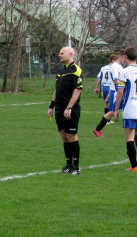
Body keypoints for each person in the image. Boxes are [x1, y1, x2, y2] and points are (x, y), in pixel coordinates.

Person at [113, 47, 137, 172]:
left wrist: (116, 109)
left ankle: (134, 166)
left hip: (131, 107)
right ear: (136, 56)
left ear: (125, 56)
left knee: (129, 136)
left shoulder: (124, 72)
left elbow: (120, 91)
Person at [47, 46, 83, 175]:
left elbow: (78, 89)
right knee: (64, 136)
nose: (59, 55)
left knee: (71, 136)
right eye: (59, 53)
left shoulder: (76, 70)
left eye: (62, 53)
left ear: (71, 54)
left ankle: (76, 167)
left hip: (70, 109)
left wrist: (69, 107)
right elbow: (57, 90)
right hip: (59, 108)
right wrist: (52, 106)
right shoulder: (61, 71)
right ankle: (68, 165)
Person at [94, 50, 126, 137]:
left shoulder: (119, 66)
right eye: (124, 57)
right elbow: (115, 80)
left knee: (117, 110)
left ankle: (132, 130)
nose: (125, 59)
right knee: (111, 112)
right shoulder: (115, 66)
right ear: (120, 56)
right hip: (116, 92)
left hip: (115, 91)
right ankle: (97, 129)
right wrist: (124, 86)